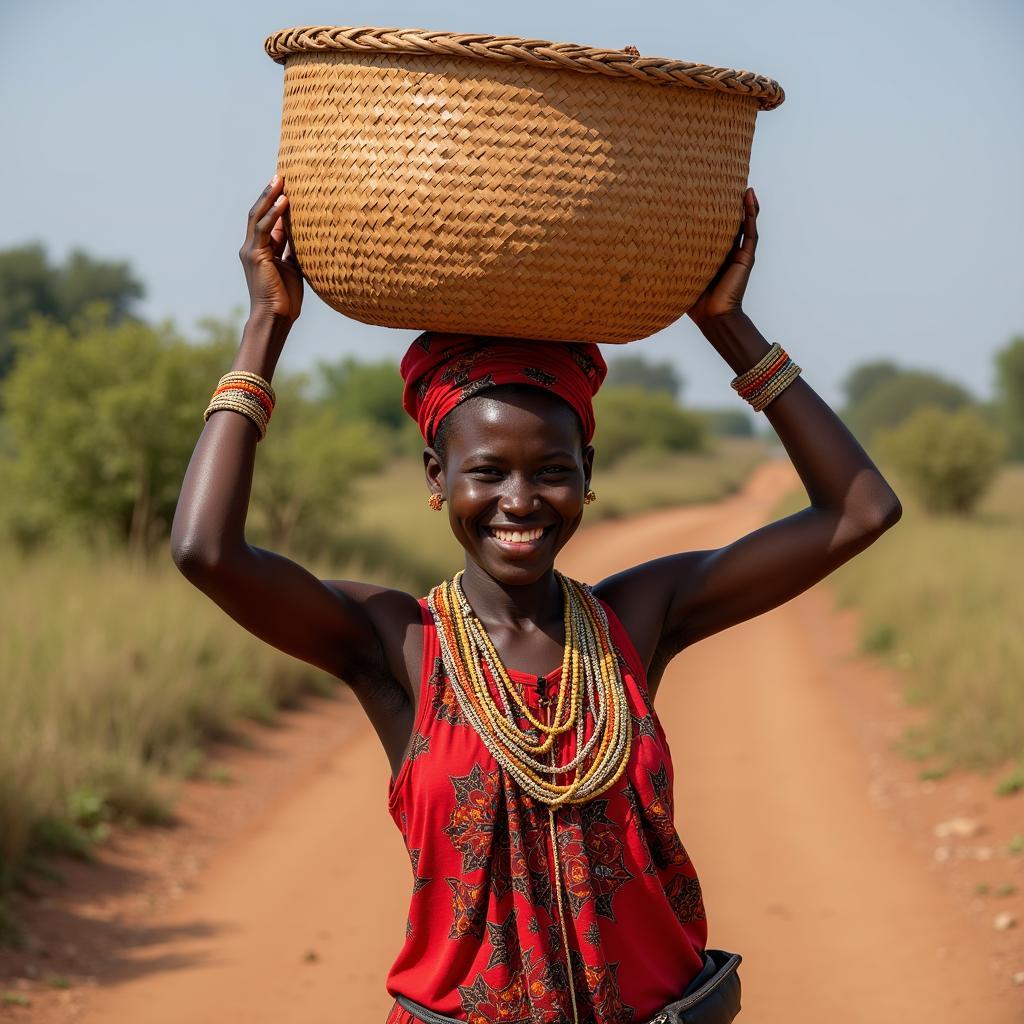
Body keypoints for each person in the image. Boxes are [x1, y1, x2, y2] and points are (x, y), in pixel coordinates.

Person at [170, 175, 902, 1024]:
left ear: (587, 478)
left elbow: (860, 510)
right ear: (437, 479)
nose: (521, 501)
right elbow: (206, 551)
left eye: (552, 470)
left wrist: (725, 325)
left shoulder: (636, 620)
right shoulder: (399, 643)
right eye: (488, 471)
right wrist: (267, 324)